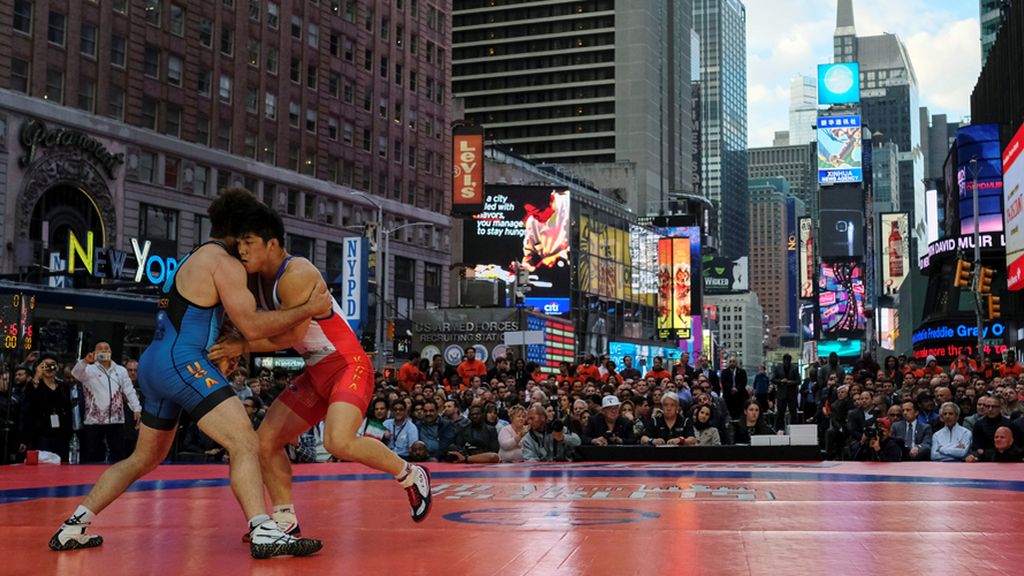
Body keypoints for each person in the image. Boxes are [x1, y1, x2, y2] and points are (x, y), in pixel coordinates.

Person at [50, 189, 329, 558]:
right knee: (244, 441)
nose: (246, 249)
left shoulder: (192, 257)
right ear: (236, 230)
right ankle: (264, 530)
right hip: (182, 362)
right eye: (244, 238)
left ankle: (75, 525)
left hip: (154, 362)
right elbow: (254, 325)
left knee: (143, 458)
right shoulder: (222, 263)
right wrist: (308, 307)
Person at [208, 201, 433, 539]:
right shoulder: (255, 279)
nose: (241, 250)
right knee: (265, 441)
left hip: (347, 364)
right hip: (315, 370)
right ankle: (284, 518)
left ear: (272, 243)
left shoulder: (296, 274)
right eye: (238, 243)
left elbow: (293, 335)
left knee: (338, 441)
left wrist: (243, 345)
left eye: (248, 242)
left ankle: (410, 473)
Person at [71, 342, 141, 463]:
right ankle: (88, 480)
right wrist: (85, 361)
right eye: (100, 349)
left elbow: (129, 390)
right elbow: (75, 373)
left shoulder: (121, 370)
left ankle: (116, 480)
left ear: (111, 351)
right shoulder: (88, 370)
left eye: (106, 348)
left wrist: (136, 408)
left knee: (118, 454)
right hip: (93, 420)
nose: (104, 351)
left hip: (116, 419)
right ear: (95, 352)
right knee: (92, 454)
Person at [21, 353, 74, 463]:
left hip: (61, 432)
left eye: (53, 365)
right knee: (43, 463)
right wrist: (37, 377)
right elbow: (29, 407)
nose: (50, 368)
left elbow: (68, 409)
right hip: (41, 432)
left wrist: (69, 431)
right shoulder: (34, 385)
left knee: (61, 463)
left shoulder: (63, 386)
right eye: (45, 365)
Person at [772, 354, 801, 429]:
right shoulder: (778, 368)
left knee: (793, 413)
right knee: (780, 414)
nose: (786, 362)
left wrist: (790, 382)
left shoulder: (794, 368)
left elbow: (798, 381)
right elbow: (773, 379)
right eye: (785, 360)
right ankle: (779, 430)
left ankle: (794, 429)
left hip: (792, 394)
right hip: (782, 394)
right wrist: (781, 381)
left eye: (788, 361)